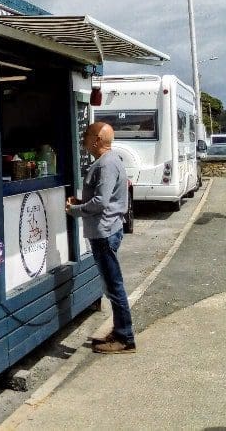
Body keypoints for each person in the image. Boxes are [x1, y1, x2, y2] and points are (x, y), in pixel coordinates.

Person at [65, 121, 135, 354]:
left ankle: (125, 338)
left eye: (86, 134)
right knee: (111, 284)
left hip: (104, 232)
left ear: (96, 140)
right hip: (107, 229)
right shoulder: (110, 161)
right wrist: (81, 202)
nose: (83, 138)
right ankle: (119, 331)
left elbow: (101, 202)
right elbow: (101, 199)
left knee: (114, 286)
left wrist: (75, 210)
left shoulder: (106, 164)